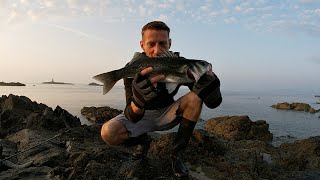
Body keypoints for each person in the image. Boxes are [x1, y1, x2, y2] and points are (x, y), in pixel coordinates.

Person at [100, 21, 222, 177]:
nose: (157, 50)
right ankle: (143, 142)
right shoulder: (133, 68)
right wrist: (138, 100)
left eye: (162, 44)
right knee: (108, 132)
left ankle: (176, 155)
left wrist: (212, 87)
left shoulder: (184, 65)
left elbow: (213, 103)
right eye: (151, 44)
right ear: (142, 45)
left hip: (168, 114)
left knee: (194, 98)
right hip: (141, 117)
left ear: (170, 43)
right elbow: (132, 115)